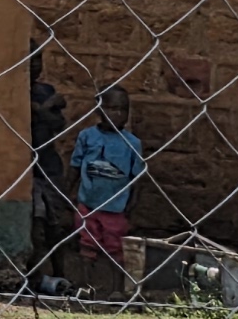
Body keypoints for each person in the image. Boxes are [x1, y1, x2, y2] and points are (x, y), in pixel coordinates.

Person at [71, 84, 148, 298]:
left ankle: (116, 289)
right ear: (99, 110)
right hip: (88, 203)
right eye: (112, 109)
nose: (118, 115)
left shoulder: (132, 143)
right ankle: (86, 285)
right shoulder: (87, 137)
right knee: (87, 246)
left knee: (116, 249)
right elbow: (76, 167)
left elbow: (138, 177)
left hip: (115, 207)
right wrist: (69, 195)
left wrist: (132, 204)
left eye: (123, 110)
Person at [29, 70, 74, 295]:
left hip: (49, 166)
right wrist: (45, 108)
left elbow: (58, 124)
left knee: (55, 225)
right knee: (37, 223)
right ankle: (35, 275)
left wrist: (41, 110)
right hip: (28, 169)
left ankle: (60, 273)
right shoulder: (13, 93)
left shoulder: (44, 92)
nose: (34, 66)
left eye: (38, 60)